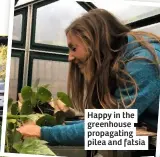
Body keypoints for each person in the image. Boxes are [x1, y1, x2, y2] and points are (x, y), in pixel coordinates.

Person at [17, 9, 160, 146]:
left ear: (95, 42)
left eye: (73, 48)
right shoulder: (126, 59)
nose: (69, 57)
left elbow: (109, 125)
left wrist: (42, 133)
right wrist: (55, 124)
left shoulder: (143, 63)